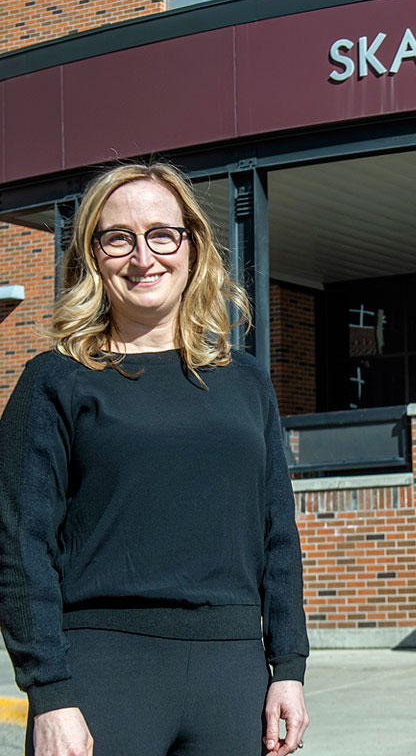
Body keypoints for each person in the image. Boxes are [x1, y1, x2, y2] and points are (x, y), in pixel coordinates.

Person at [0, 163, 310, 756]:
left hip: (233, 676)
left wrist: (289, 667)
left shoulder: (246, 382)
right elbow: (20, 545)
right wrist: (49, 692)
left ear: (191, 246)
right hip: (102, 676)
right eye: (118, 238)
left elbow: (278, 536)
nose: (143, 257)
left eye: (161, 235)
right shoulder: (55, 382)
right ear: (92, 255)